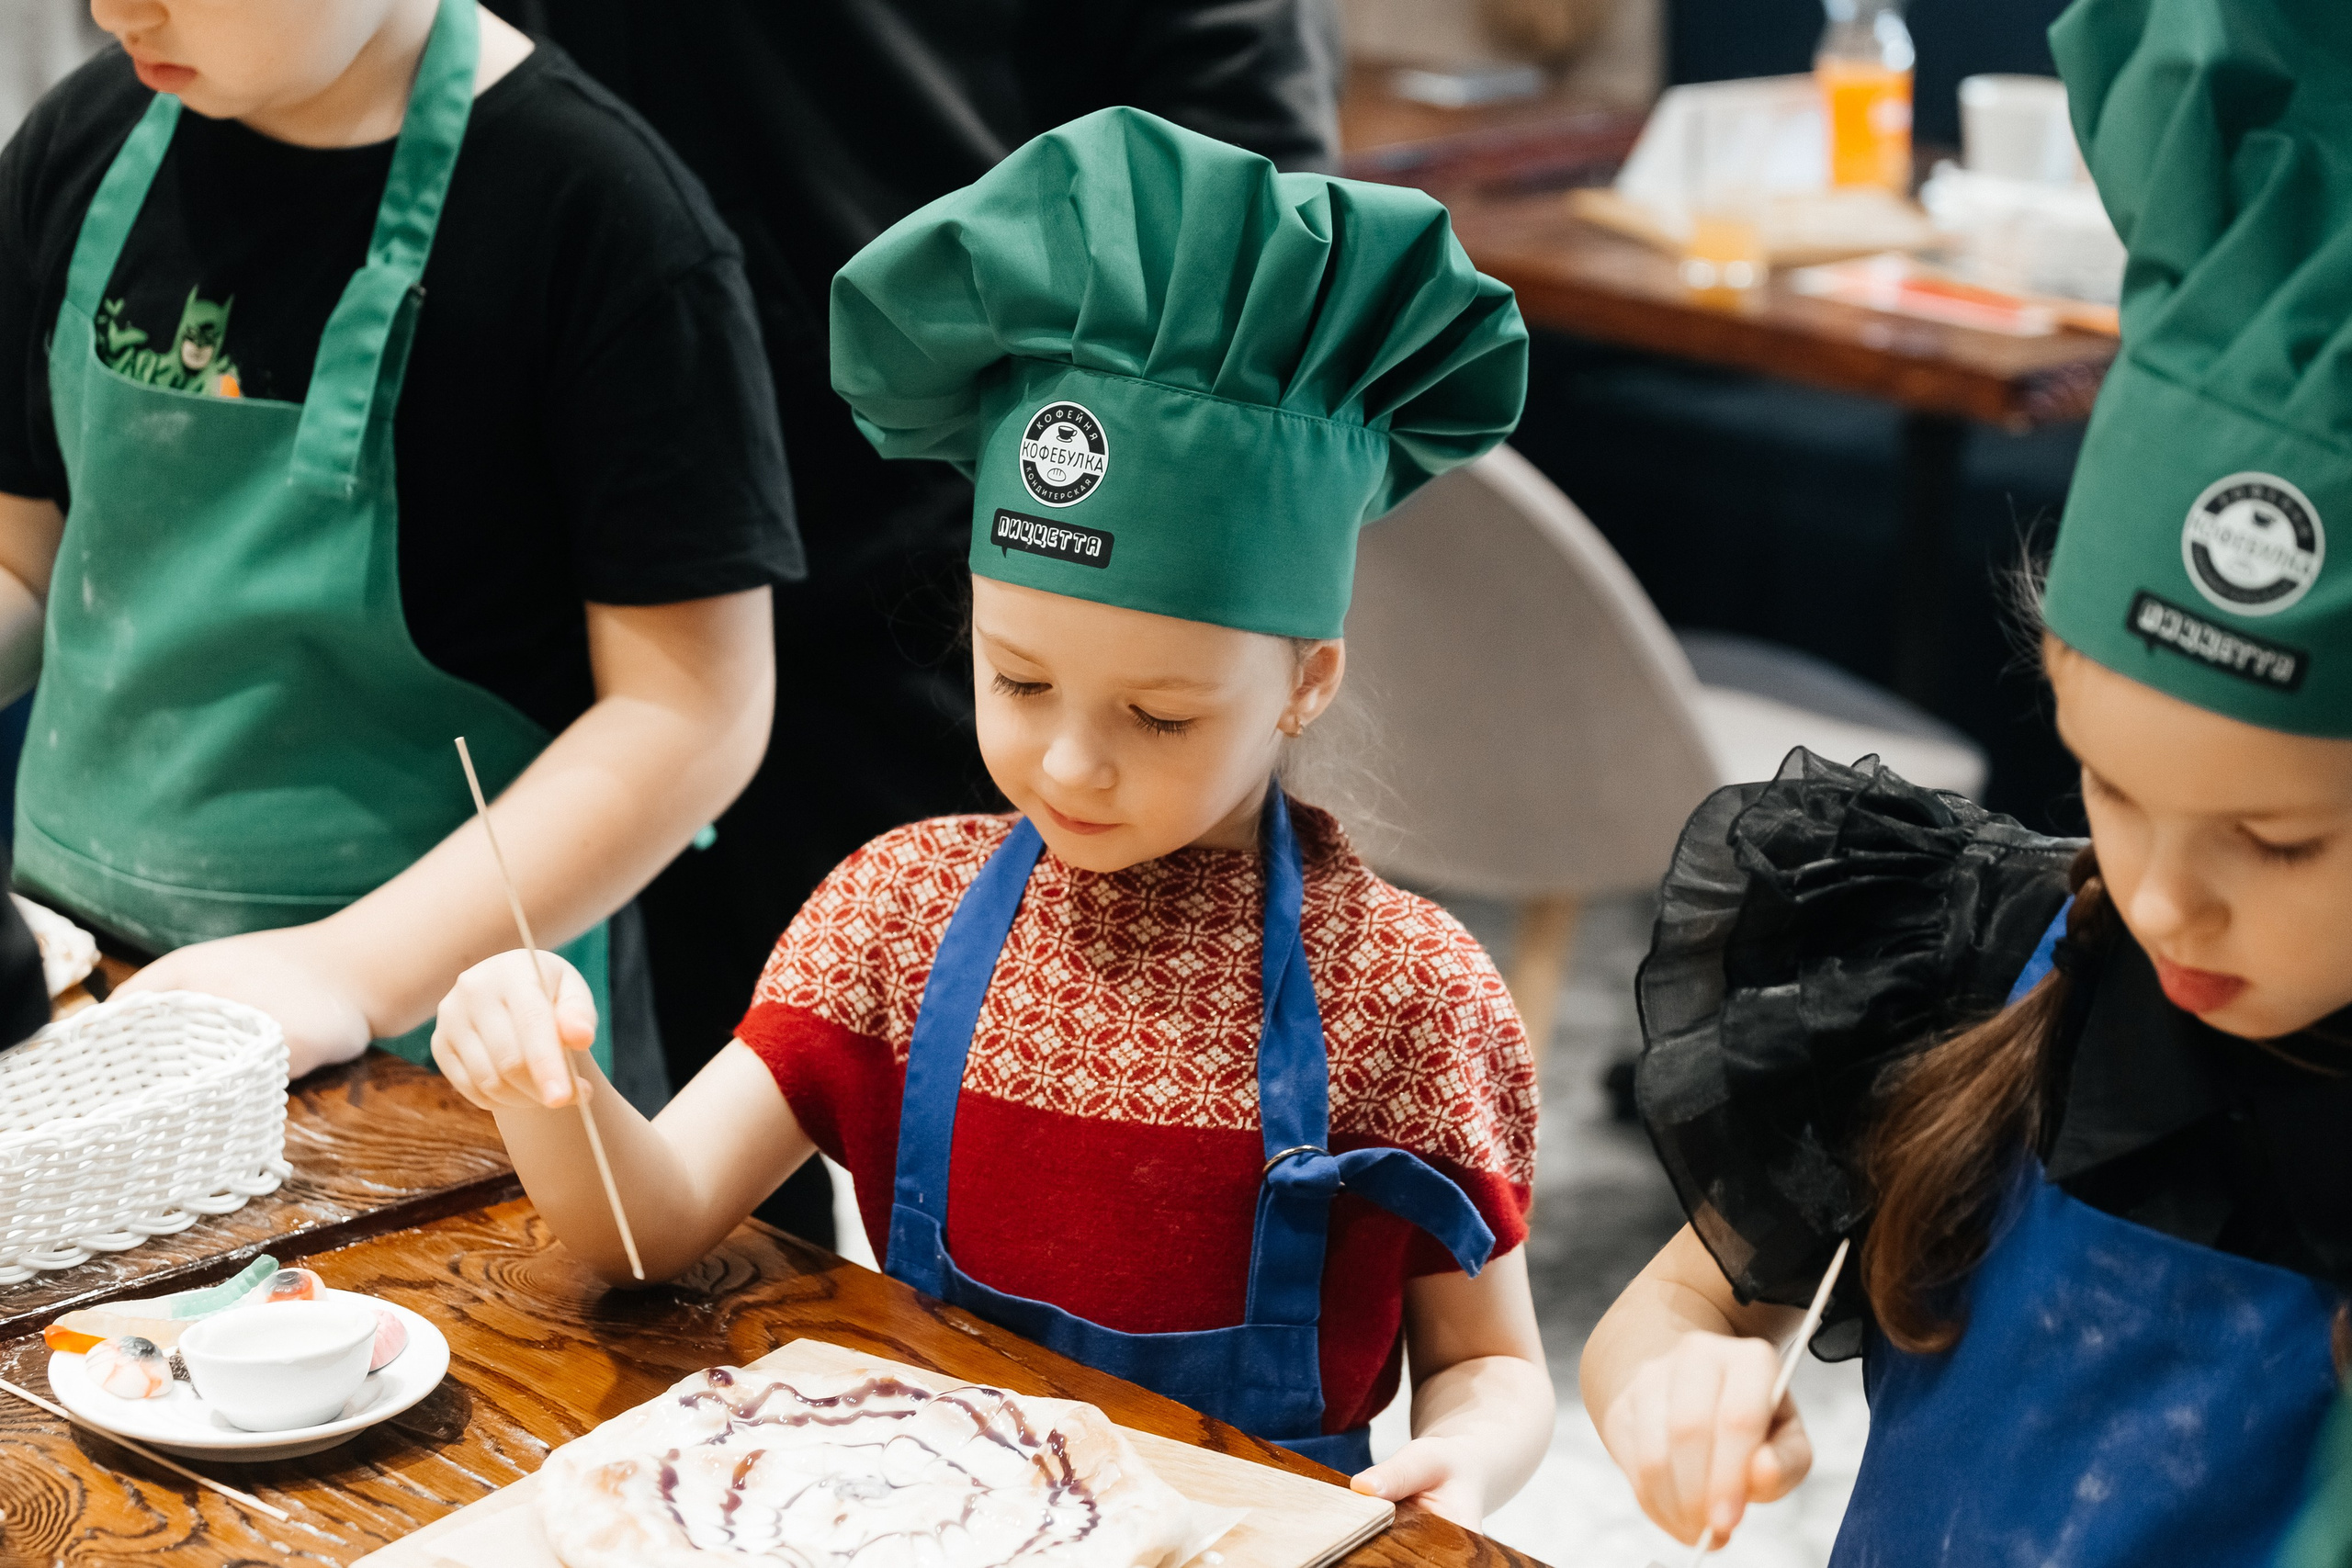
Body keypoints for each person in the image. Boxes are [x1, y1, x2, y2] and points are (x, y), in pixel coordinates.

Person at [429, 107, 1552, 1517]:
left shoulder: (1407, 993)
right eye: (1017, 680)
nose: (1072, 765)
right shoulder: (892, 920)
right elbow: (645, 1226)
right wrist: (551, 1080)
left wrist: (1468, 1456)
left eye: (1160, 715)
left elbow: (1494, 1361)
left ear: (1305, 680)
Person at [1578, 0, 2352, 1561]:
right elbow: (1663, 1313)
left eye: (2277, 841)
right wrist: (1673, 1383)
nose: (2158, 894)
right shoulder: (1976, 952)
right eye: (2109, 790)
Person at [480, 0, 1344, 1241]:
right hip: (623, 518)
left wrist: (1113, 528)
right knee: (727, 1149)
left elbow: (1247, 188)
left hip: (987, 540)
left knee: (1109, 1145)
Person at [0, 0, 800, 1100]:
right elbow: (26, 563)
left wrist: (347, 971)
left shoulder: (596, 211)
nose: (113, 10)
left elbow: (692, 716)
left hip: (431, 1044)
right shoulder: (86, 139)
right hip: (86, 990)